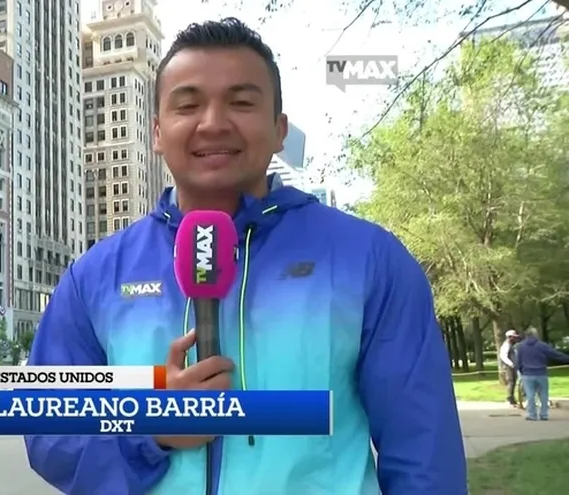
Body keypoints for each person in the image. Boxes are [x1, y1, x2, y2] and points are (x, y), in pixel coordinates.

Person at [24, 18, 466, 494]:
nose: (213, 123)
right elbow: (52, 433)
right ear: (156, 132)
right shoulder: (93, 277)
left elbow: (424, 452)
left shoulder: (369, 260)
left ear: (279, 129)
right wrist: (150, 431)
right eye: (188, 104)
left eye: (241, 102)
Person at [515, 327, 569, 421]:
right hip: (541, 373)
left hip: (527, 373)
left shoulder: (520, 346)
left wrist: (521, 370)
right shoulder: (542, 345)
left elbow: (518, 361)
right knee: (543, 394)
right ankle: (544, 414)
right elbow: (555, 354)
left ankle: (532, 415)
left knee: (530, 395)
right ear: (536, 335)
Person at [499, 329, 521, 407]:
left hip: (512, 366)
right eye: (514, 337)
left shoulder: (512, 345)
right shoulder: (506, 345)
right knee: (511, 382)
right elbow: (503, 356)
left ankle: (513, 399)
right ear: (509, 337)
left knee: (514, 382)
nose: (515, 339)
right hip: (509, 367)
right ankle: (510, 399)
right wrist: (511, 364)